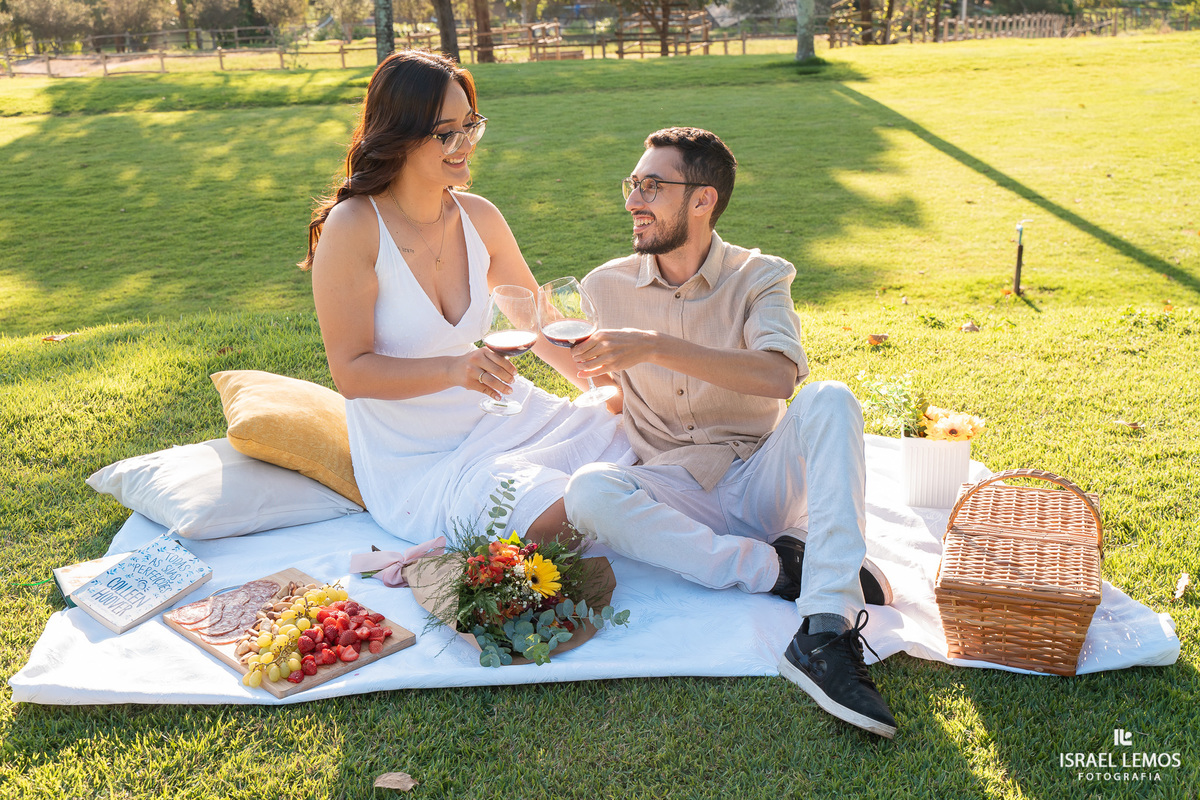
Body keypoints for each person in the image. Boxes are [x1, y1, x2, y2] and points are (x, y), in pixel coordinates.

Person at [563, 127, 898, 738]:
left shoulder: (761, 276)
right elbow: (597, 374)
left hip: (761, 478)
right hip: (678, 488)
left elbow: (779, 376)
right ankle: (778, 570)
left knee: (830, 398)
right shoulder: (603, 287)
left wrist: (657, 346)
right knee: (588, 492)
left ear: (702, 200)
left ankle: (825, 629)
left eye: (652, 186)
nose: (634, 200)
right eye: (633, 184)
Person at [302, 50, 631, 543]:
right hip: (422, 462)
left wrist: (609, 392)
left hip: (511, 418)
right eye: (446, 133)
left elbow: (539, 325)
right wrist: (455, 370)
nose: (465, 145)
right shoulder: (353, 228)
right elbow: (351, 374)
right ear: (398, 135)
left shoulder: (480, 217)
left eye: (470, 126)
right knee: (566, 516)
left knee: (646, 450)